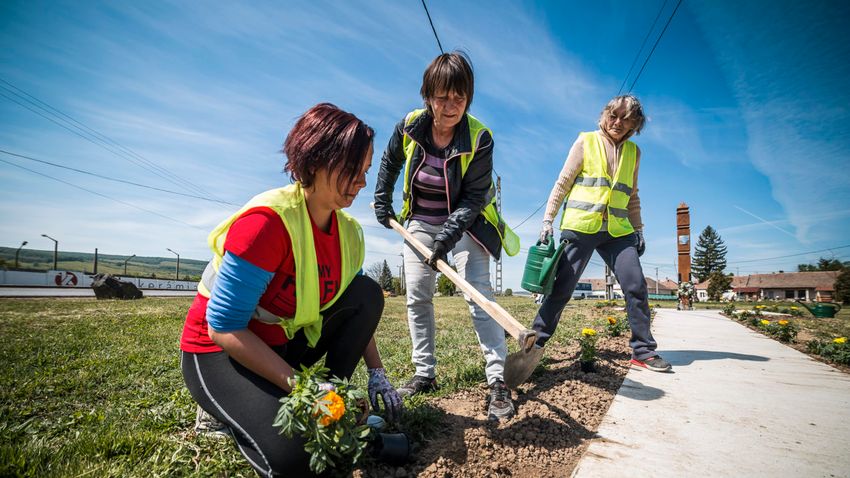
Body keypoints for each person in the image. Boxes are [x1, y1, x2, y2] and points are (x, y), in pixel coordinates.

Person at [179, 103, 403, 477]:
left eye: (364, 171)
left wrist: (376, 372)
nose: (362, 183)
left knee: (367, 293)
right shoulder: (267, 223)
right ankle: (222, 406)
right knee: (297, 461)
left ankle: (334, 402)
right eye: (352, 170)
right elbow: (224, 326)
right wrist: (303, 389)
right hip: (219, 350)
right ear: (315, 161)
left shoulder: (348, 233)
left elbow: (358, 306)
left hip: (279, 343)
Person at [373, 52, 520, 421]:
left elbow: (472, 199)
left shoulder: (480, 137)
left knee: (479, 296)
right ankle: (425, 373)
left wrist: (446, 241)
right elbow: (390, 162)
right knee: (417, 298)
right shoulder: (410, 125)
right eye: (442, 97)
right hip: (419, 220)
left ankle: (497, 380)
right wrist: (381, 199)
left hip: (467, 224)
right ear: (427, 95)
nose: (451, 106)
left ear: (468, 97)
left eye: (460, 97)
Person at [532, 95, 672, 373]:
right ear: (604, 115)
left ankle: (643, 351)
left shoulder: (634, 152)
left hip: (619, 231)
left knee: (636, 286)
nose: (618, 122)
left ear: (635, 124)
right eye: (613, 115)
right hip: (581, 226)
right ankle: (534, 346)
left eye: (626, 118)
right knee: (561, 289)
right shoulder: (586, 140)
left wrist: (639, 229)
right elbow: (562, 182)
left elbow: (632, 196)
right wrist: (548, 220)